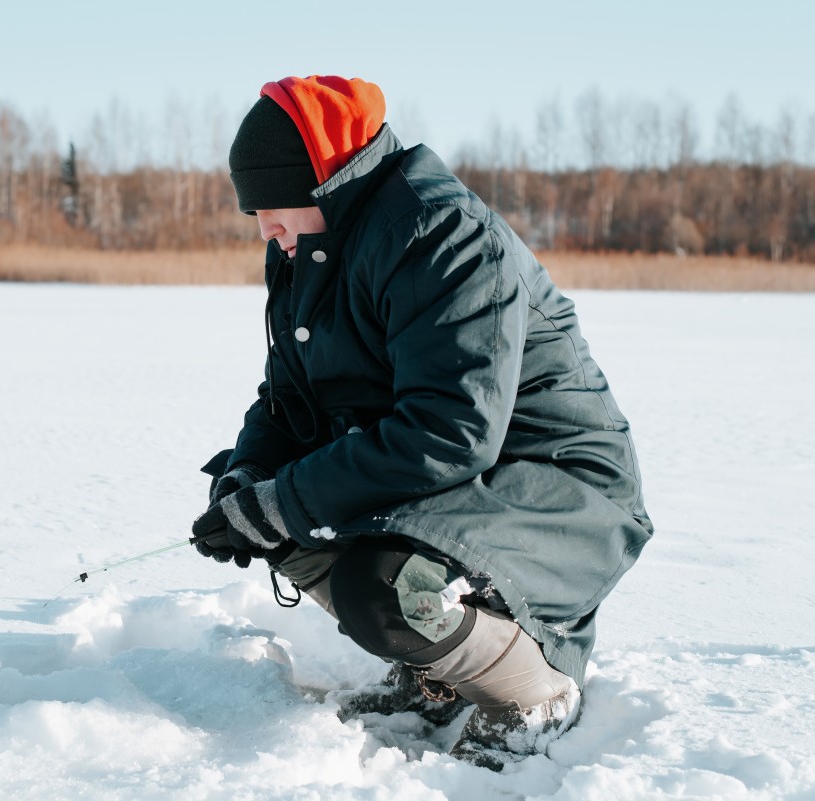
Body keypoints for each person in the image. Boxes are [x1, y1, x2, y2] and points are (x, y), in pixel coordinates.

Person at [191, 75, 653, 770]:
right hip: (458, 482)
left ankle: (535, 687)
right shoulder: (308, 245)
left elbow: (451, 430)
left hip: (556, 488)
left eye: (274, 207)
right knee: (267, 518)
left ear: (323, 184)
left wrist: (285, 499)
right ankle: (436, 676)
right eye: (256, 212)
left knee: (383, 588)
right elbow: (289, 394)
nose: (265, 228)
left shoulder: (440, 233)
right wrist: (251, 477)